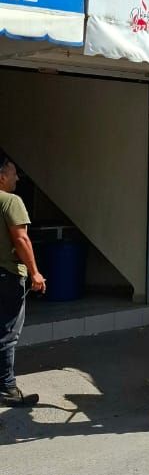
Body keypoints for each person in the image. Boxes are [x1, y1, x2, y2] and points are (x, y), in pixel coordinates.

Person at [0, 151, 46, 408]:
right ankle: (7, 387)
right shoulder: (10, 201)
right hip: (7, 275)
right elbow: (21, 239)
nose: (17, 177)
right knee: (8, 332)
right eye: (13, 172)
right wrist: (35, 272)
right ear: (2, 176)